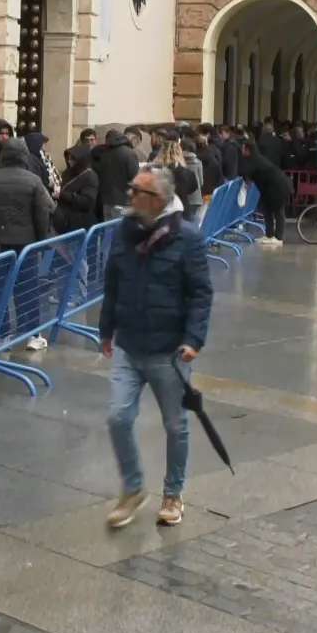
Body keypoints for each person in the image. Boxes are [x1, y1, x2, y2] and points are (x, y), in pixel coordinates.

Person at [100, 168, 212, 530]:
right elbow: (112, 281)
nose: (130, 195)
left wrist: (193, 339)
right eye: (131, 188)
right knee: (118, 417)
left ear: (158, 200)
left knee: (175, 425)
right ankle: (133, 488)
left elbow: (201, 293)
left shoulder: (187, 239)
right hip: (129, 345)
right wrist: (106, 328)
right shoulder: (124, 231)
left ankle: (173, 493)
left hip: (169, 351)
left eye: (138, 191)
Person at [0, 144, 56, 351]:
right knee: (28, 289)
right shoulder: (33, 180)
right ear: (24, 156)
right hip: (26, 244)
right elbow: (42, 213)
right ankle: (32, 333)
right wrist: (41, 241)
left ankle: (3, 334)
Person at [237, 137, 291, 247]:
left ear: (248, 150)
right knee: (267, 210)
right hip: (268, 188)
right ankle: (269, 234)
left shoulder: (255, 160)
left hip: (277, 186)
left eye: (243, 149)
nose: (241, 151)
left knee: (278, 211)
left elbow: (243, 171)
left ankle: (279, 237)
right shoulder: (255, 158)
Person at [91, 128, 141, 221]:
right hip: (123, 200)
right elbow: (134, 177)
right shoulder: (129, 153)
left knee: (109, 226)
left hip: (106, 200)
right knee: (121, 227)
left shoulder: (103, 154)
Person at [54, 148, 101, 233]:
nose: (69, 161)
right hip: (64, 220)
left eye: (72, 159)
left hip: (80, 223)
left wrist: (62, 194)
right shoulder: (67, 173)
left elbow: (87, 202)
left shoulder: (90, 177)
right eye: (68, 158)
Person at [23, 132, 60, 198]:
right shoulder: (31, 160)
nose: (45, 147)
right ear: (36, 144)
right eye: (43, 144)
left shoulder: (43, 159)